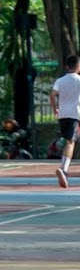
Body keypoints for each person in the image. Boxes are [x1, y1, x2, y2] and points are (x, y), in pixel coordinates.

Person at [51, 55, 80, 188]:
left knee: (69, 140)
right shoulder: (79, 80)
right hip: (75, 114)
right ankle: (63, 169)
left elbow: (52, 95)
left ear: (67, 66)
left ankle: (64, 169)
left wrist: (55, 109)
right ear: (78, 66)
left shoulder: (60, 80)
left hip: (62, 114)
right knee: (70, 142)